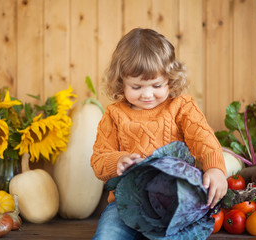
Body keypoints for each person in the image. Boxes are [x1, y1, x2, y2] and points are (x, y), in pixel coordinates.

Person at [91, 28, 227, 240]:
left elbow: (204, 140)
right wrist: (117, 161)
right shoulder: (114, 114)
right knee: (107, 236)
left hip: (177, 203)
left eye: (156, 85)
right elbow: (99, 160)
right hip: (126, 204)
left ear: (170, 80)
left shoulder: (182, 106)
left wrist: (215, 168)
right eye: (136, 86)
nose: (147, 94)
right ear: (121, 82)